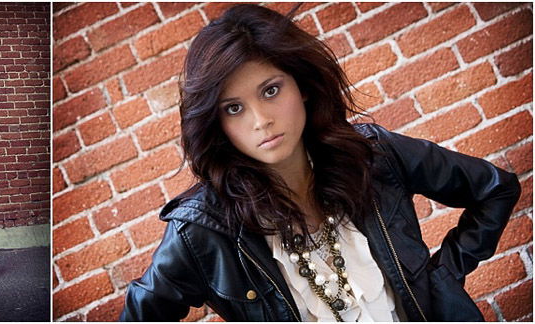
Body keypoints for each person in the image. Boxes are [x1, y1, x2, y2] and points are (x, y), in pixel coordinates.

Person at [120, 4, 521, 321]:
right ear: (216, 123)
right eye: (234, 108)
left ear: (303, 86)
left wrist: (442, 280)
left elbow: (496, 188)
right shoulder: (203, 230)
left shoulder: (371, 156)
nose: (260, 120)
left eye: (271, 90)